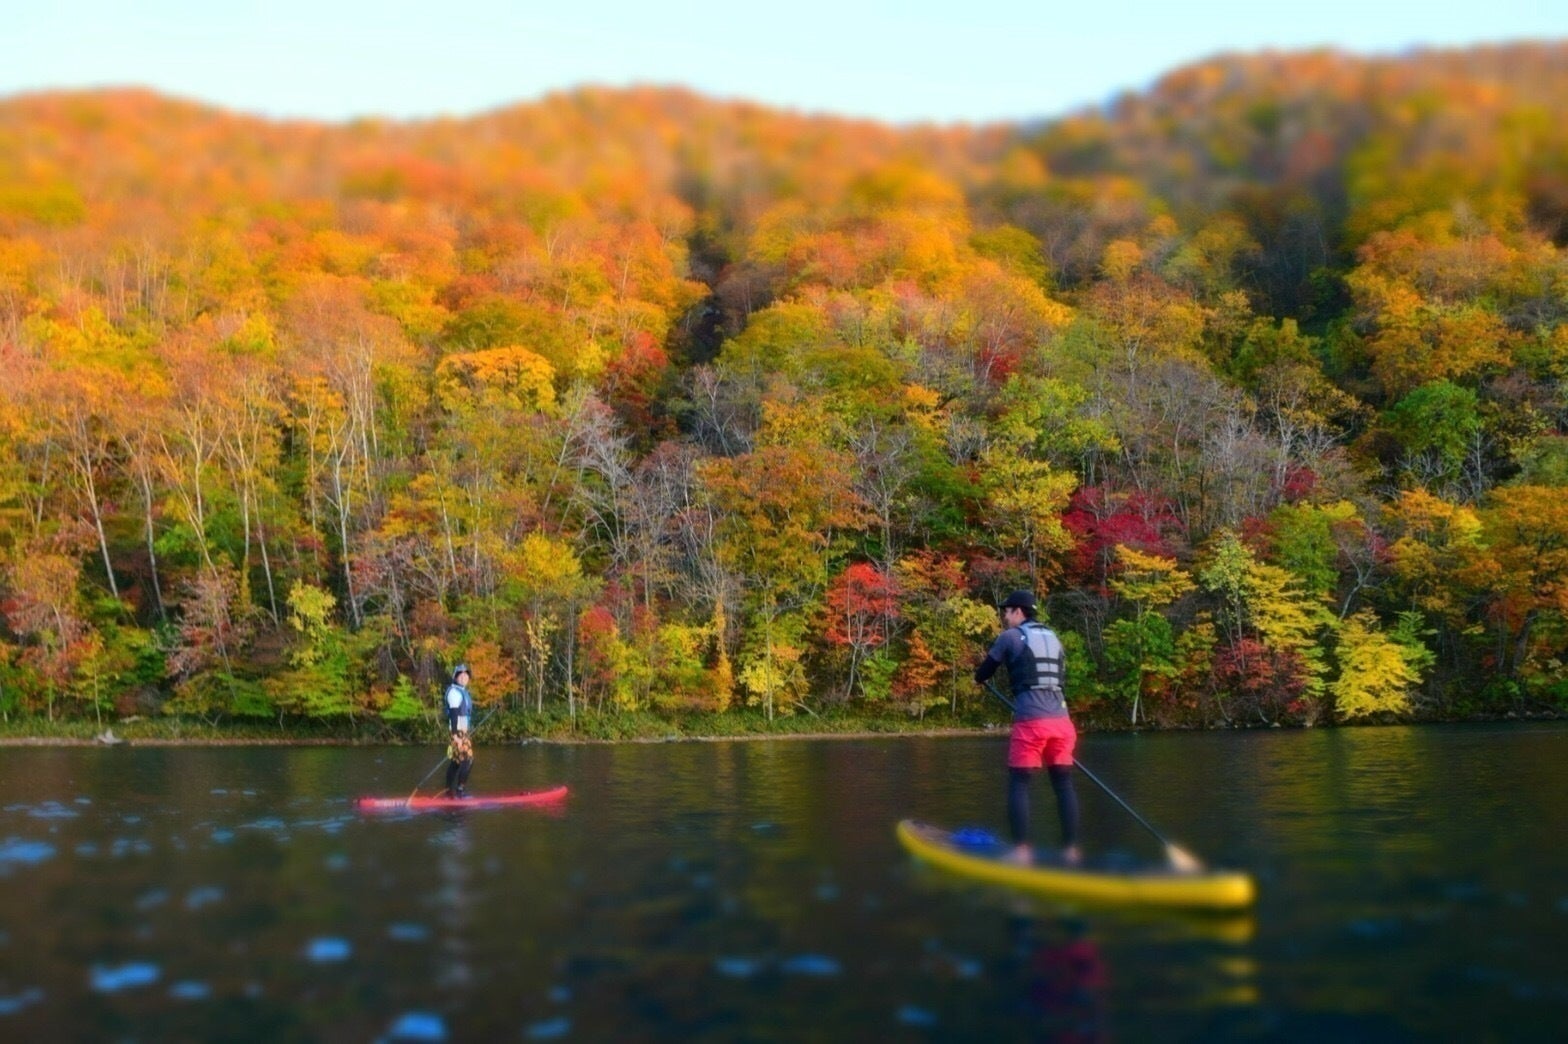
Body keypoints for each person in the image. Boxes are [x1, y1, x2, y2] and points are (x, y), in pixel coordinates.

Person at [974, 590, 1080, 865]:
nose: (1004, 617)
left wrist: (979, 677)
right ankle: (1071, 850)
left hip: (1032, 723)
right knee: (1064, 785)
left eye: (1006, 612)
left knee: (1020, 784)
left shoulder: (1010, 637)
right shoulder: (1054, 637)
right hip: (1063, 723)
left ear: (1018, 612)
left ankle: (1022, 851)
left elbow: (984, 672)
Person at [443, 663, 475, 798]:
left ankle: (449, 792)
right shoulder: (454, 692)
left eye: (466, 675)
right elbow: (454, 713)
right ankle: (460, 791)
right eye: (460, 675)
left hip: (462, 731)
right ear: (455, 677)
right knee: (468, 760)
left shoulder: (461, 691)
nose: (464, 677)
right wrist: (457, 736)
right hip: (458, 732)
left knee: (456, 762)